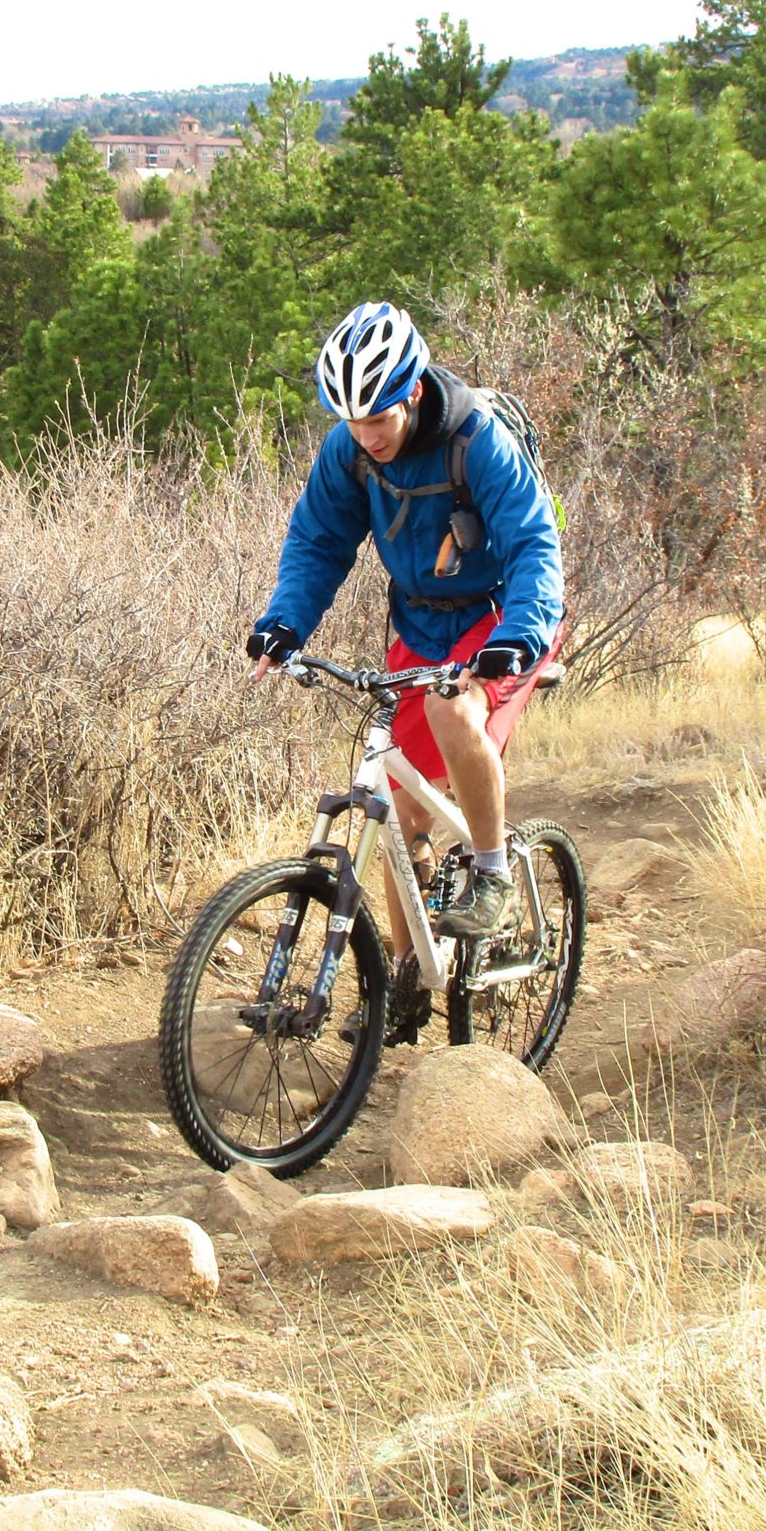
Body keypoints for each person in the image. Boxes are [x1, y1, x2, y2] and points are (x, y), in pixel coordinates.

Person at [246, 301, 565, 1035]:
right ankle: (408, 974)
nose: (367, 435)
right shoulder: (349, 450)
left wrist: (516, 636)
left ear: (413, 390)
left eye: (379, 418)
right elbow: (318, 543)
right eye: (352, 419)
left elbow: (534, 546)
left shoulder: (475, 440)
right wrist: (285, 623)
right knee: (394, 804)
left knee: (457, 710)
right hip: (421, 619)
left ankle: (491, 874)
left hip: (502, 614)